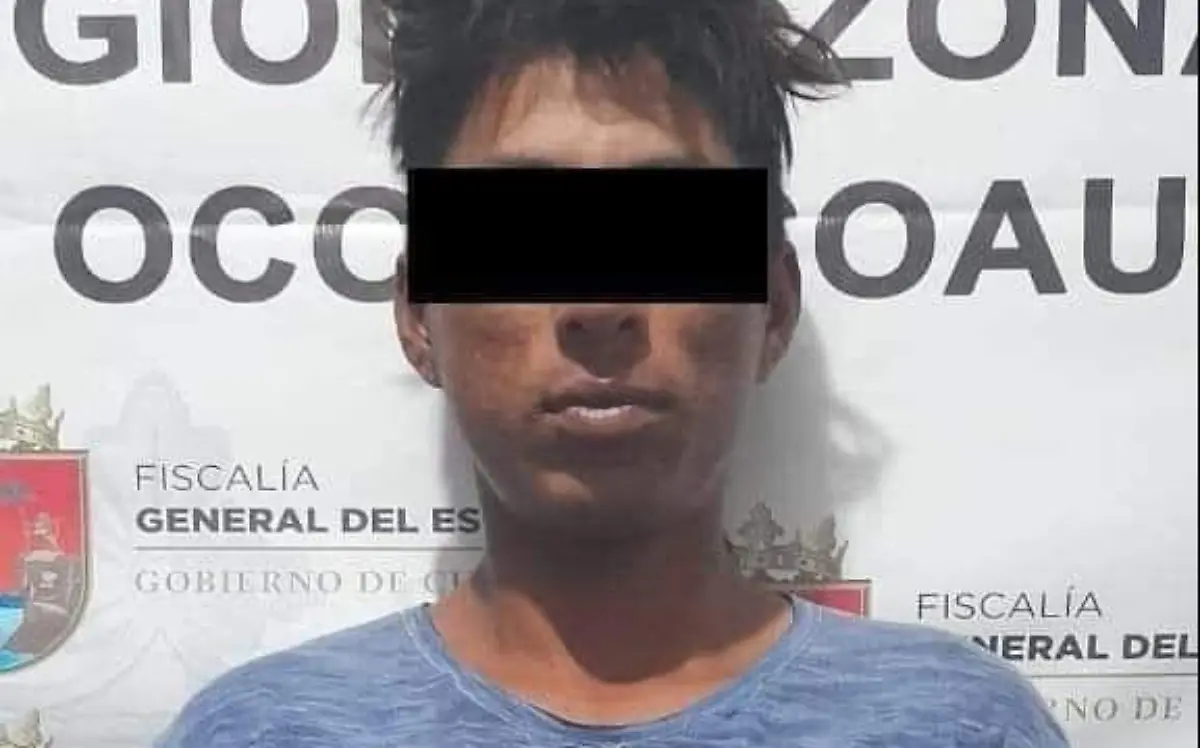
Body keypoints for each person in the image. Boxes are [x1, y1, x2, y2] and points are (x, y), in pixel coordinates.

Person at [157, 1, 1069, 746]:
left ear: (774, 307)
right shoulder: (264, 733)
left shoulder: (957, 727)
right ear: (416, 315)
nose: (598, 302)